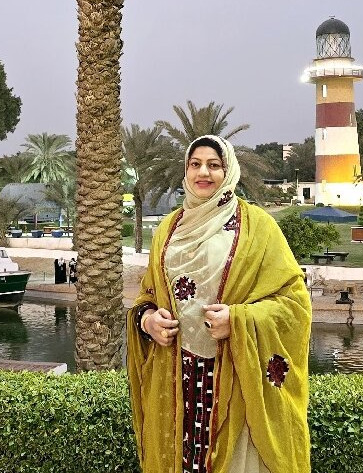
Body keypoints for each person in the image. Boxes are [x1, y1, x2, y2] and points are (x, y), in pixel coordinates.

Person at [127, 135, 311, 473]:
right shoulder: (168, 229)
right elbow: (148, 296)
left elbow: (294, 301)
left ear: (228, 171)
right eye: (195, 164)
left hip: (235, 376)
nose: (204, 173)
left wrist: (239, 320)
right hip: (175, 379)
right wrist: (147, 321)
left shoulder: (258, 227)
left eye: (214, 165)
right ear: (186, 170)